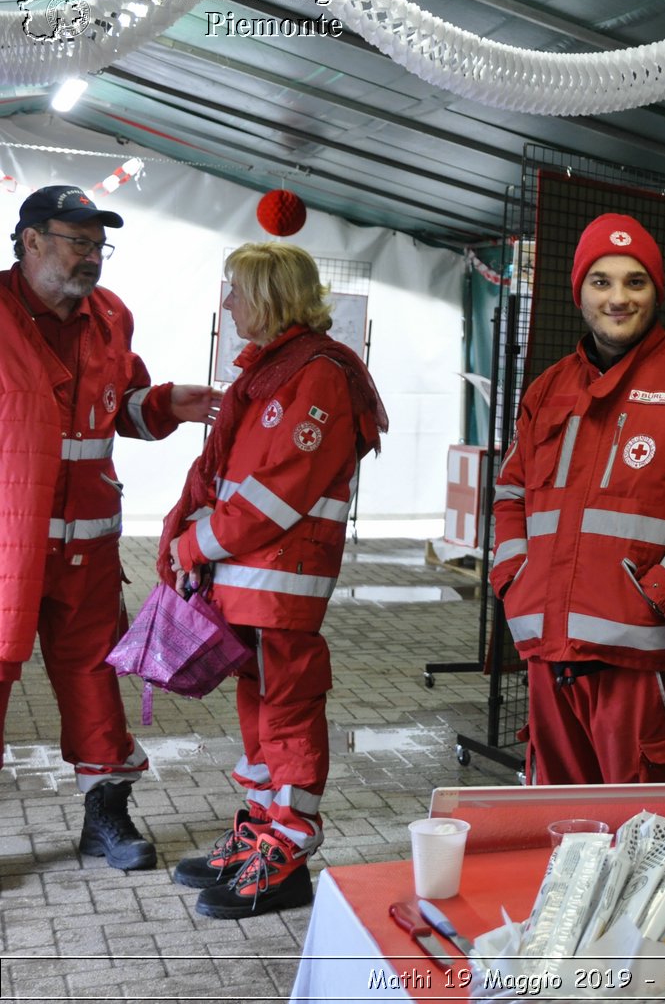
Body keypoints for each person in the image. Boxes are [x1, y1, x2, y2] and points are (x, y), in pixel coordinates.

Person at [161, 242, 387, 918]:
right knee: (260, 712)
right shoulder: (273, 373)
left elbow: (278, 493)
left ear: (272, 296)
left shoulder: (316, 374)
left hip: (281, 582)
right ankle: (263, 830)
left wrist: (197, 539)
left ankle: (287, 852)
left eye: (237, 290)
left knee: (287, 713)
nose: (228, 305)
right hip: (250, 582)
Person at [490, 213, 665, 786]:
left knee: (645, 833)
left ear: (657, 292)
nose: (617, 297)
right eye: (601, 281)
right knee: (560, 829)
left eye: (635, 281)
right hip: (547, 651)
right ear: (578, 291)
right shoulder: (548, 387)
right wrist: (514, 577)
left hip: (641, 659)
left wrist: (661, 591)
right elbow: (510, 492)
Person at [0, 185, 219, 872]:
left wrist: (168, 405)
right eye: (78, 241)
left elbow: (125, 407)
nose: (93, 256)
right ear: (31, 240)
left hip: (89, 546)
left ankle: (106, 818)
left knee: (95, 678)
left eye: (99, 244)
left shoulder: (111, 317)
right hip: (6, 543)